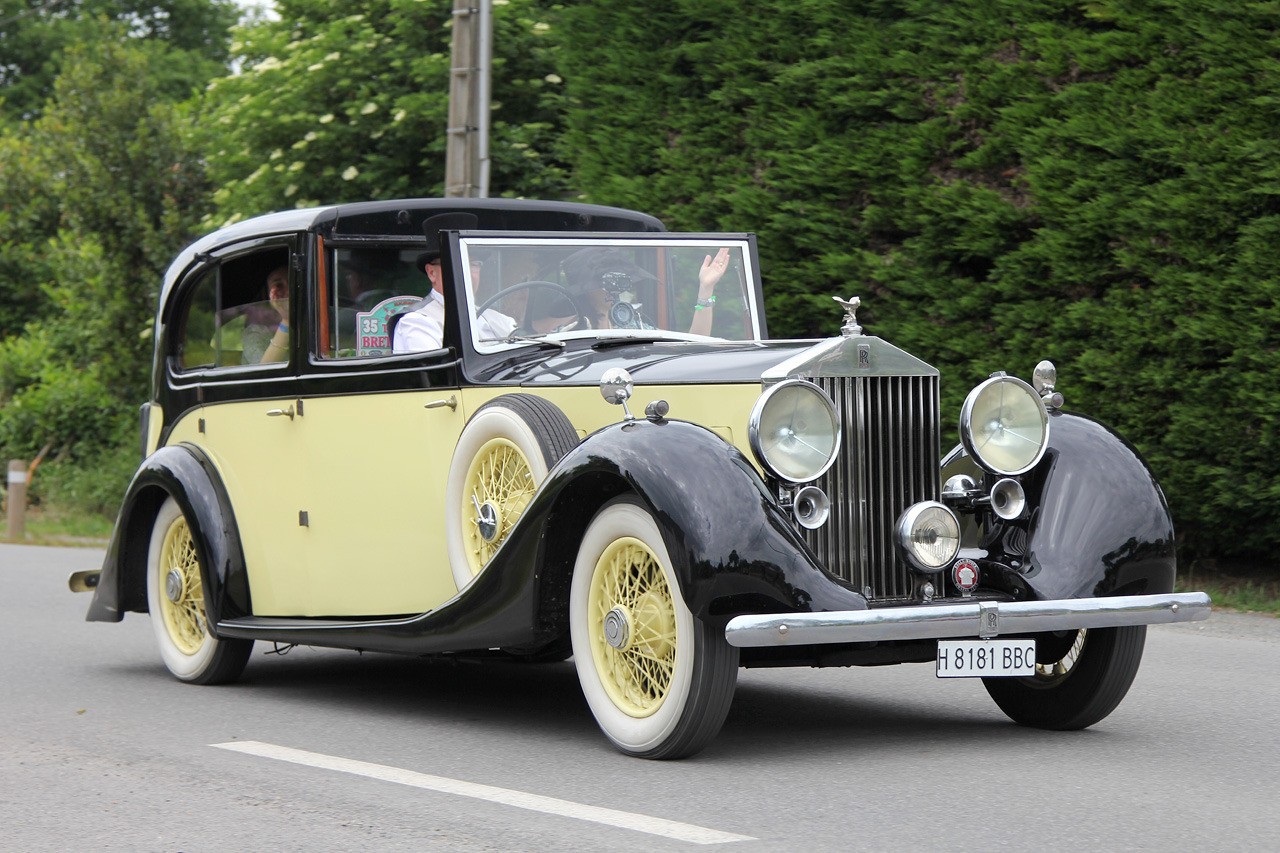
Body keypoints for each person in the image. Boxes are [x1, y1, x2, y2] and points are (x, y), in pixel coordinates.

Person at [392, 212, 517, 352]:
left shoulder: (500, 321)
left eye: (474, 264)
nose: (467, 272)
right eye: (456, 263)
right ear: (432, 273)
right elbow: (437, 371)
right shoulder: (417, 322)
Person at [562, 246, 730, 335]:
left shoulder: (633, 326)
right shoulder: (571, 331)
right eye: (605, 280)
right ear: (585, 289)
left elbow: (696, 344)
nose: (614, 288)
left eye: (619, 279)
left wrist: (706, 289)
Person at [258, 265, 291, 363]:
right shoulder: (256, 332)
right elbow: (263, 373)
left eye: (293, 282)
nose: (289, 291)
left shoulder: (317, 319)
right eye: (279, 286)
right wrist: (286, 319)